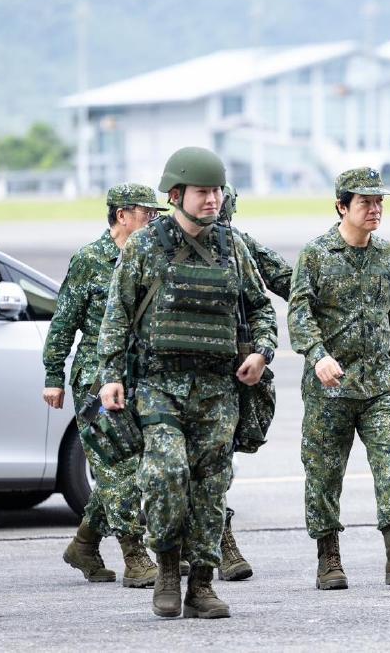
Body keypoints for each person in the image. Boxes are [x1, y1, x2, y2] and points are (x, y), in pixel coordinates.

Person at [97, 147, 276, 619]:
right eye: (202, 191)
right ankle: (166, 569)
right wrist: (110, 376)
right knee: (166, 475)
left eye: (217, 191)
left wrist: (261, 352)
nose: (212, 199)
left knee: (211, 487)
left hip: (218, 390)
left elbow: (260, 308)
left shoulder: (233, 247)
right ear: (176, 195)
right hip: (160, 385)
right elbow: (117, 315)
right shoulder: (144, 246)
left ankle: (201, 584)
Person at [288, 167, 390, 591]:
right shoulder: (316, 255)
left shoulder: (387, 256)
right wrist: (317, 355)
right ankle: (328, 559)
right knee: (323, 474)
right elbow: (299, 314)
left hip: (377, 386)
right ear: (341, 206)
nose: (375, 209)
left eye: (379, 201)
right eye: (365, 202)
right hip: (329, 389)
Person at [42, 183, 162, 588]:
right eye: (146, 212)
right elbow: (64, 322)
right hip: (95, 381)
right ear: (121, 215)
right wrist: (53, 377)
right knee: (116, 465)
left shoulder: (151, 257)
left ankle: (84, 544)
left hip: (138, 377)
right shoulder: (90, 260)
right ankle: (134, 555)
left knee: (138, 466)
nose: (153, 220)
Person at [213, 184, 293, 583]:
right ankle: (215, 544)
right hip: (175, 377)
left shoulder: (237, 245)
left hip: (232, 371)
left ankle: (213, 542)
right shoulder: (159, 246)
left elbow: (287, 282)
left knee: (218, 460)